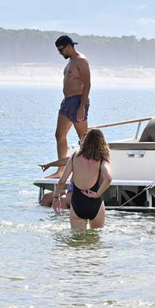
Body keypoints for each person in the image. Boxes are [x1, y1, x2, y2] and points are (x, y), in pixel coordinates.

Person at [51, 128, 112, 231]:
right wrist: (97, 194)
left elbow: (62, 181)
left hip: (77, 203)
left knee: (77, 238)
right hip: (95, 204)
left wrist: (56, 197)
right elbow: (109, 178)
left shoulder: (74, 157)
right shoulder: (101, 159)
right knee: (95, 237)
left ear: (85, 140)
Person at [52, 35, 91, 177]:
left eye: (61, 50)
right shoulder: (70, 62)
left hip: (77, 101)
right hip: (67, 102)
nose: (60, 53)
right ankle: (61, 170)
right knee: (59, 134)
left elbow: (87, 83)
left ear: (69, 46)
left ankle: (88, 169)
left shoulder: (81, 60)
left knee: (83, 138)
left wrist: (81, 107)